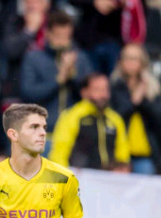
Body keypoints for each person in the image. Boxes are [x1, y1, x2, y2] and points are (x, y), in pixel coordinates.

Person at [19, 11, 93, 131]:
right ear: (48, 34)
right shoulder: (34, 58)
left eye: (67, 37)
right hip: (43, 131)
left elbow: (90, 95)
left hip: (73, 131)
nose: (63, 42)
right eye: (58, 36)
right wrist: (58, 80)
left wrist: (72, 75)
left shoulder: (81, 58)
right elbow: (29, 93)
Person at [49, 73, 130, 171]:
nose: (103, 95)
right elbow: (59, 151)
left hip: (109, 180)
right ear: (84, 92)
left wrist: (122, 169)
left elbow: (122, 152)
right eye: (97, 90)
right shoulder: (72, 116)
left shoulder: (115, 119)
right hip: (81, 178)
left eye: (106, 90)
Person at [110, 43, 161, 174]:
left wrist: (143, 100)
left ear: (142, 62)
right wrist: (133, 101)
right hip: (119, 153)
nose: (130, 62)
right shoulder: (114, 86)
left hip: (145, 152)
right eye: (126, 58)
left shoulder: (153, 89)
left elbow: (158, 119)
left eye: (134, 58)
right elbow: (113, 118)